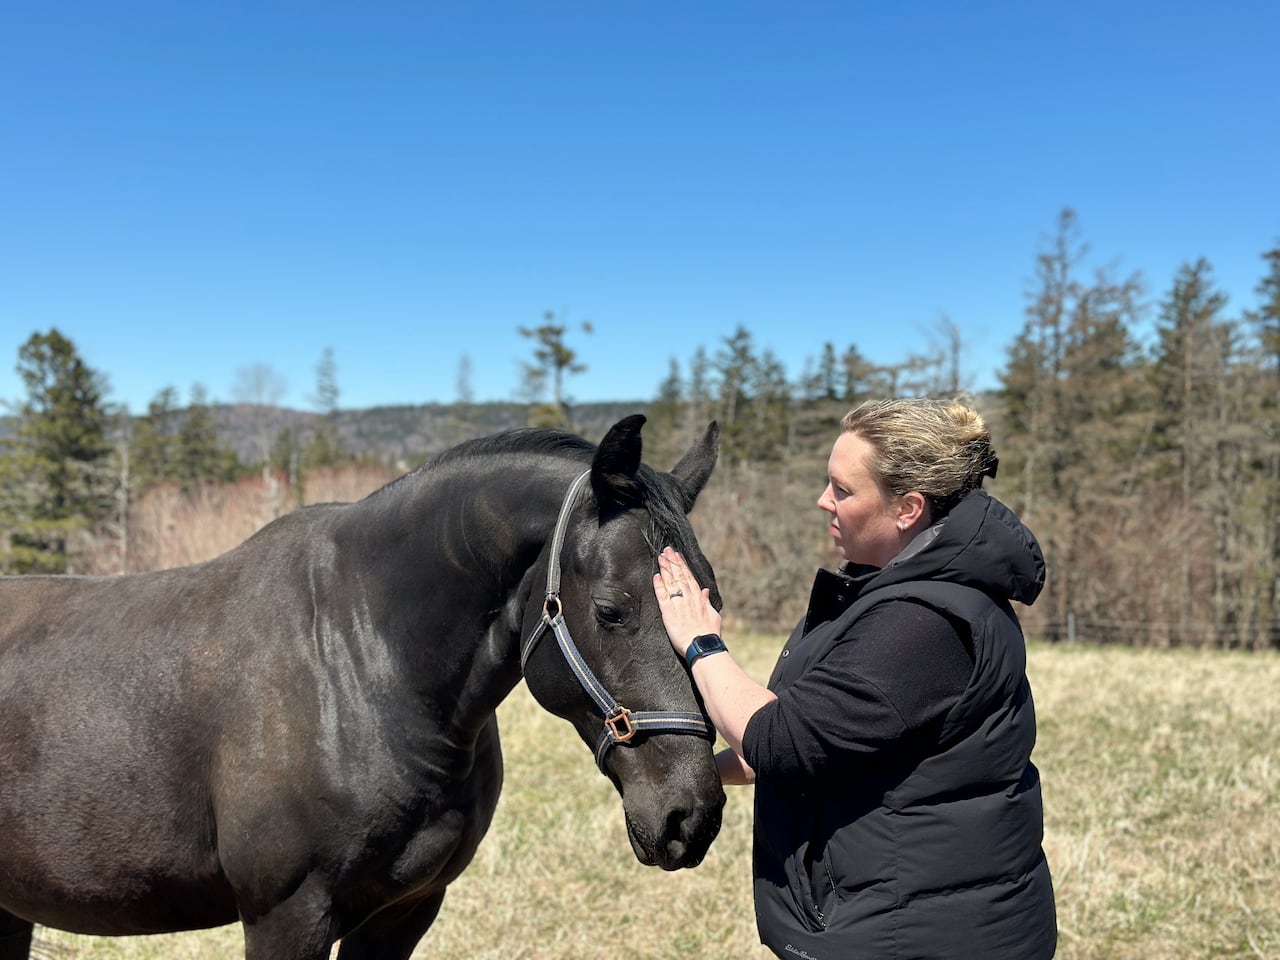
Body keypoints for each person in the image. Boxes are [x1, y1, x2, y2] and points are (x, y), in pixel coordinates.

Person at [653, 397, 1056, 960]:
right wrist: (683, 777)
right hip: (894, 921)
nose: (824, 502)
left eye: (843, 490)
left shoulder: (925, 623)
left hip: (920, 938)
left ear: (908, 508)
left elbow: (779, 740)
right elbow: (813, 736)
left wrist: (701, 643)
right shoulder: (880, 594)